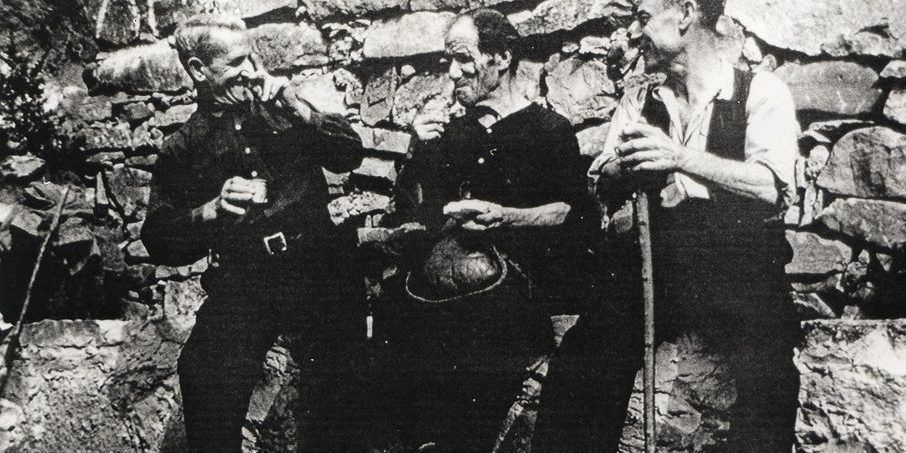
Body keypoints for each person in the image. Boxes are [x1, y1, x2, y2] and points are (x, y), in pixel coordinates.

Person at [536, 0, 801, 451]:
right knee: (584, 358)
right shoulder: (641, 100)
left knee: (770, 369)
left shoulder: (761, 91)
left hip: (738, 265)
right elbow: (601, 182)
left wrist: (679, 160)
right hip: (654, 262)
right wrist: (624, 166)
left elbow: (769, 187)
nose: (633, 32)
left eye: (643, 17)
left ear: (685, 12)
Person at [141, 14, 369, 453]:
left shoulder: (282, 106)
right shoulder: (184, 147)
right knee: (204, 373)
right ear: (198, 69)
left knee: (341, 390)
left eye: (251, 58)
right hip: (246, 278)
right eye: (235, 63)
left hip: (318, 263)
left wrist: (296, 105)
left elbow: (350, 154)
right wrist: (209, 211)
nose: (249, 70)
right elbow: (158, 238)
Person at [375, 8, 598, 452]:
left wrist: (505, 216)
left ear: (501, 57)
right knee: (394, 318)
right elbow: (414, 218)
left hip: (511, 294)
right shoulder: (451, 133)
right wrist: (419, 150)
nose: (452, 73)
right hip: (445, 288)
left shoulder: (548, 131)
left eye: (463, 59)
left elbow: (574, 215)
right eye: (449, 61)